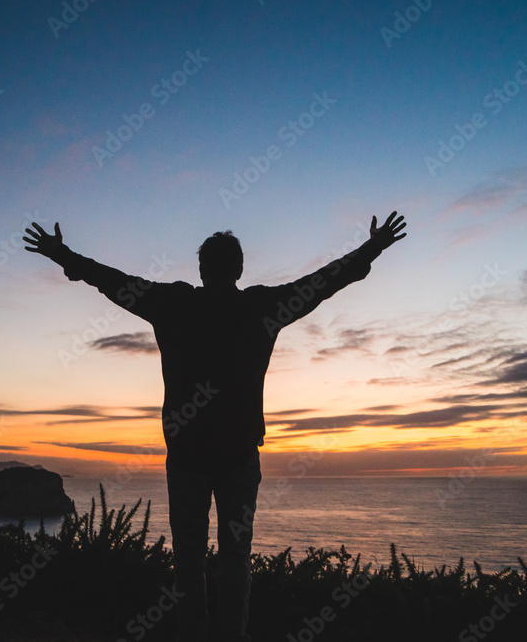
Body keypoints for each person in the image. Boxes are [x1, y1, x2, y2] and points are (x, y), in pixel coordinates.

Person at [24, 212, 407, 641]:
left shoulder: (174, 303)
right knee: (235, 561)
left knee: (188, 562)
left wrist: (62, 255)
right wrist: (371, 248)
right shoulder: (262, 306)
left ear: (202, 269)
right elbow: (321, 283)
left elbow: (112, 281)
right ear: (239, 269)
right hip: (239, 459)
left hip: (187, 458)